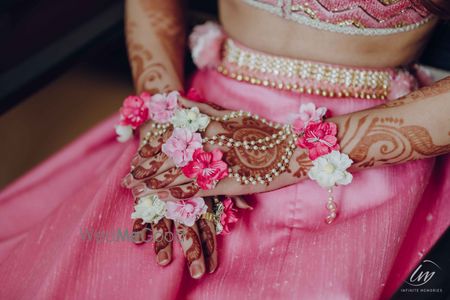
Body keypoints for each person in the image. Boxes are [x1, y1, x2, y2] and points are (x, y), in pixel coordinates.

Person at [0, 0, 449, 299]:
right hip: (194, 123)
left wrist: (286, 156)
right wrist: (166, 122)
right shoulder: (176, 132)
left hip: (362, 158)